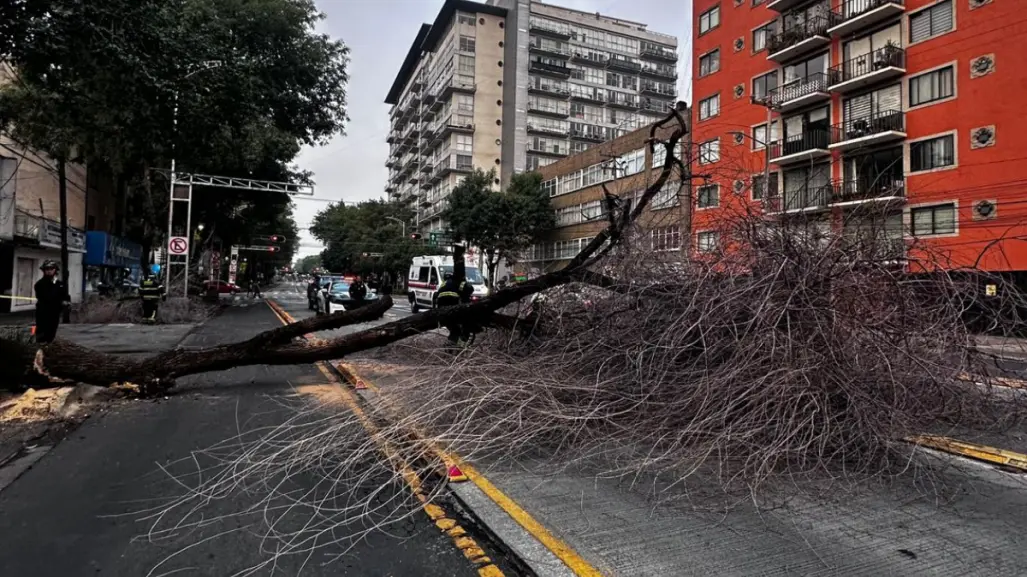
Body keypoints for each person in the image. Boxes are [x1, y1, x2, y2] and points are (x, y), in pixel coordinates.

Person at [433, 271, 474, 345]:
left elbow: (436, 298)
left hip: (442, 311)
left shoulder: (442, 285)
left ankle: (451, 345)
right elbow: (469, 288)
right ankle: (453, 345)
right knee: (458, 328)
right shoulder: (456, 283)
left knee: (454, 329)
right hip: (453, 307)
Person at [34, 260, 69, 344]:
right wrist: (60, 301)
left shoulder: (60, 284)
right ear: (44, 270)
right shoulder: (40, 284)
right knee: (42, 334)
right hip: (43, 313)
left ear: (55, 270)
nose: (49, 271)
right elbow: (46, 297)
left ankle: (48, 348)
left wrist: (66, 302)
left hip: (55, 313)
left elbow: (65, 295)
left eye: (51, 269)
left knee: (51, 334)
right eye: (47, 269)